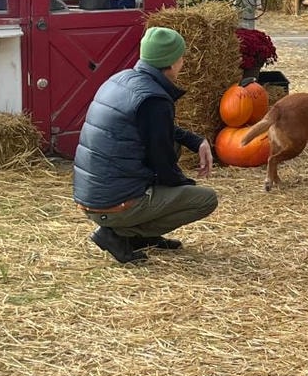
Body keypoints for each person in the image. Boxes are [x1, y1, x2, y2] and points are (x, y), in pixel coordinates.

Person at [73, 27, 218, 264]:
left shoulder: (120, 80)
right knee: (204, 199)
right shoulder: (155, 100)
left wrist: (195, 140)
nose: (183, 62)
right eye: (181, 57)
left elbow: (150, 128)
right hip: (114, 203)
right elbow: (163, 164)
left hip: (93, 196)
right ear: (170, 63)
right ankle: (122, 234)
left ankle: (137, 234)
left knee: (174, 150)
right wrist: (184, 187)